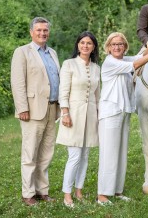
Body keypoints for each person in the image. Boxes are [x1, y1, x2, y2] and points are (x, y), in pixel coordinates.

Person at [97, 31, 148, 206]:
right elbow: (137, 63)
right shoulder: (110, 62)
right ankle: (102, 195)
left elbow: (139, 56)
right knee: (109, 154)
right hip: (110, 112)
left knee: (120, 153)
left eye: (120, 44)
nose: (117, 47)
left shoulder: (122, 60)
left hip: (123, 112)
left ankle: (117, 191)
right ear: (108, 48)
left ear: (124, 46)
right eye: (113, 44)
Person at [11, 17, 60, 206]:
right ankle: (28, 193)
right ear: (31, 32)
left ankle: (42, 190)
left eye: (45, 30)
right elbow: (17, 82)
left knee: (46, 153)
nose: (42, 33)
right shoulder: (22, 52)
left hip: (52, 109)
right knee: (30, 153)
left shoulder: (52, 53)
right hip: (32, 110)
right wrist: (22, 107)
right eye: (38, 30)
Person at [56, 31, 101, 208]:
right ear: (77, 45)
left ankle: (79, 190)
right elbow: (63, 91)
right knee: (74, 156)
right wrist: (65, 113)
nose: (85, 46)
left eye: (89, 43)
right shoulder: (69, 64)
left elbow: (98, 96)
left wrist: (99, 116)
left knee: (85, 155)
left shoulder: (97, 67)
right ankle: (67, 194)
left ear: (93, 47)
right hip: (73, 114)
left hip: (90, 116)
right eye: (82, 42)